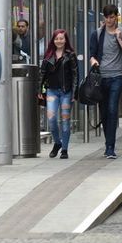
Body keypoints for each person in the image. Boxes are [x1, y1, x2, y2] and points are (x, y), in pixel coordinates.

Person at [89, 4, 122, 159]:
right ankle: (108, 143)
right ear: (104, 17)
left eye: (112, 17)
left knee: (112, 109)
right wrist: (93, 62)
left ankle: (110, 147)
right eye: (107, 17)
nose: (109, 20)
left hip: (117, 76)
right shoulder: (97, 34)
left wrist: (119, 39)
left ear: (117, 16)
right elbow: (92, 55)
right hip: (101, 77)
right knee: (104, 112)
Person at [39, 28, 78, 159]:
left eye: (61, 38)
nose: (59, 41)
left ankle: (65, 150)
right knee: (52, 119)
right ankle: (57, 143)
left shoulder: (70, 55)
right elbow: (42, 74)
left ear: (65, 39)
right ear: (53, 40)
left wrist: (74, 93)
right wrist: (39, 90)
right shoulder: (48, 55)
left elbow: (75, 75)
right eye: (56, 38)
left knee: (65, 121)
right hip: (51, 91)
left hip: (66, 92)